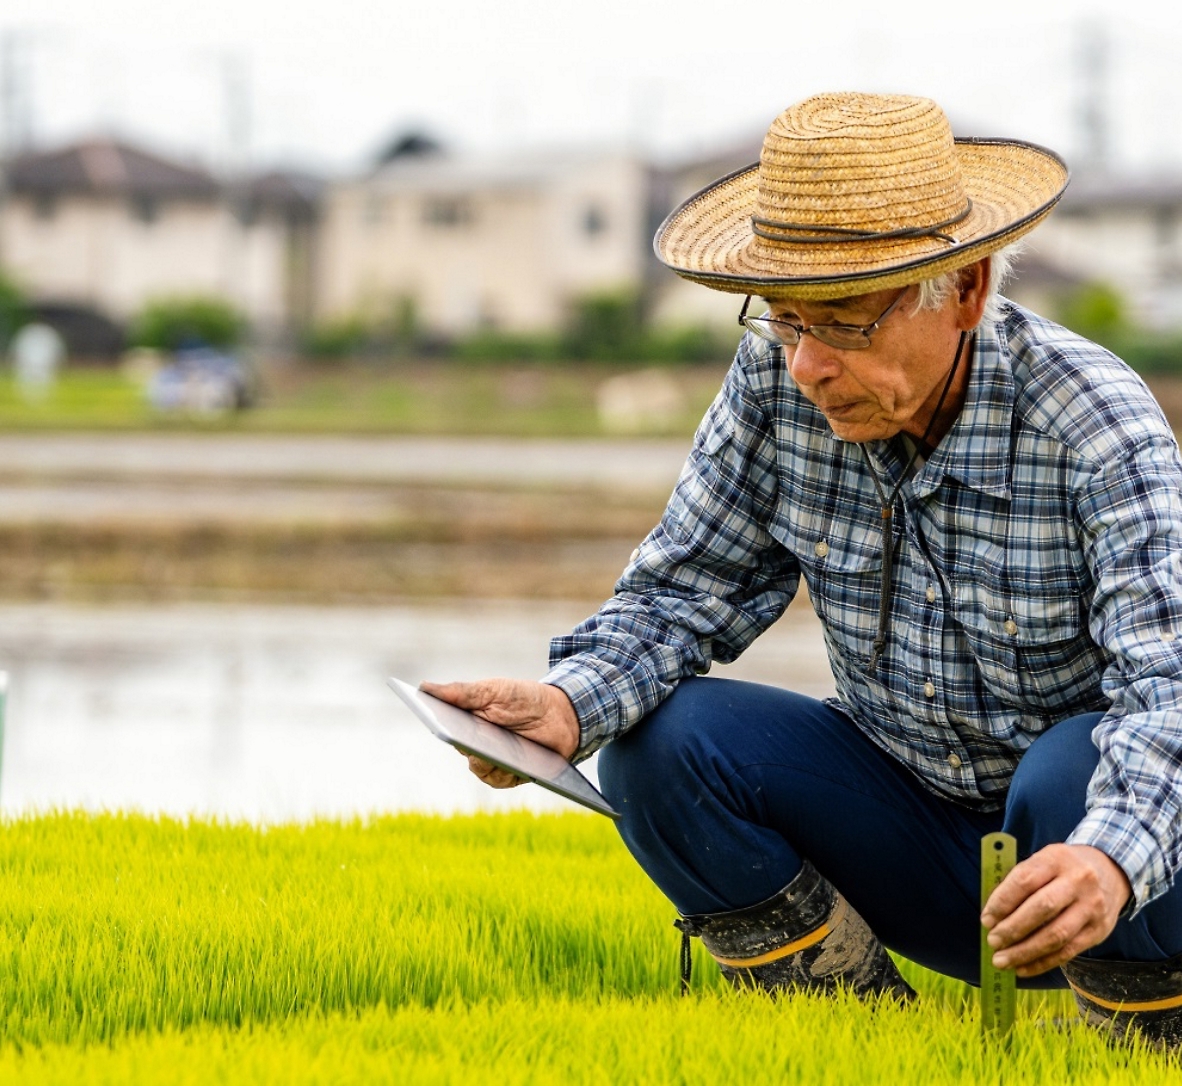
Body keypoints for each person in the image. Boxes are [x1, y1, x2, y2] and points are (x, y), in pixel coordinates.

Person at [423, 92, 1182, 1048]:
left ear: (968, 289)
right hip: (913, 830)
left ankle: (1145, 1045)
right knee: (665, 747)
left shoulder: (1094, 425)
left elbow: (1171, 694)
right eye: (783, 323)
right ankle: (858, 1040)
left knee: (1072, 768)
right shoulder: (776, 387)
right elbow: (683, 591)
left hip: (1107, 872)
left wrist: (1110, 860)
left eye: (846, 321)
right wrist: (569, 705)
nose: (808, 365)